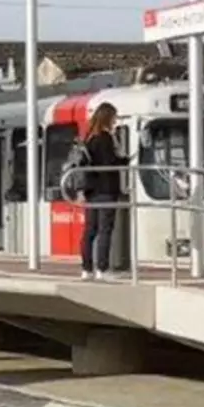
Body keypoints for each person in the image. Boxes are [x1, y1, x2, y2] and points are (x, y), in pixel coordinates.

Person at [78, 103, 126, 281]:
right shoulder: (105, 138)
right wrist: (124, 161)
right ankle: (102, 269)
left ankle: (86, 268)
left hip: (91, 190)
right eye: (114, 116)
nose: (115, 120)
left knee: (90, 230)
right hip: (106, 189)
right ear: (108, 117)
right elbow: (109, 164)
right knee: (105, 229)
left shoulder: (89, 138)